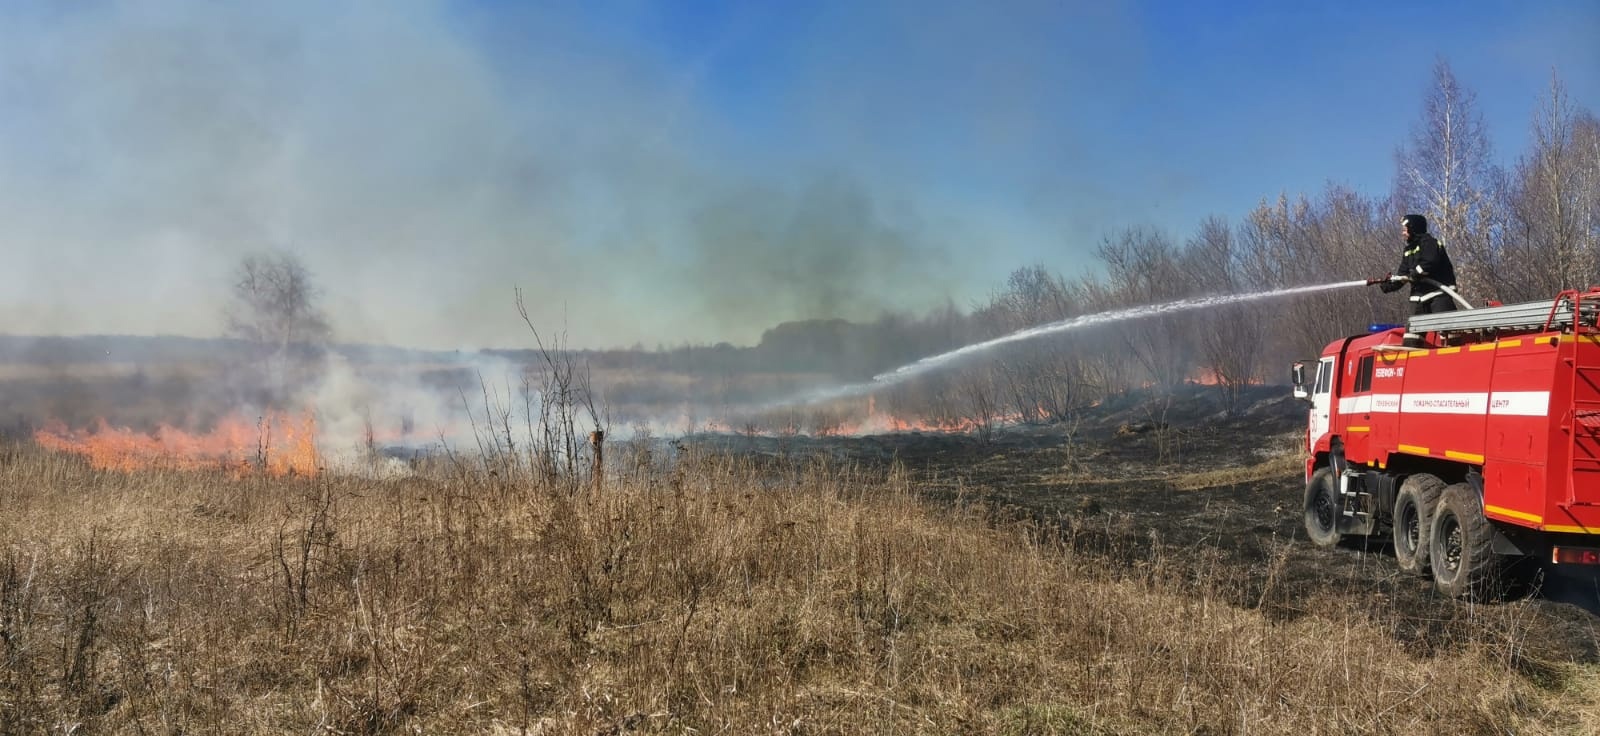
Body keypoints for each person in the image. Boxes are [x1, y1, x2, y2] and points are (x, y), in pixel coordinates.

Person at [1378, 213, 1458, 346]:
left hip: (1438, 293)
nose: (1403, 233)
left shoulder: (1430, 243)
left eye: (1405, 229)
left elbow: (1430, 261)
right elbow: (1402, 275)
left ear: (1413, 228)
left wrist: (1417, 273)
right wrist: (1387, 285)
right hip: (1418, 299)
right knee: (1411, 339)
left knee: (1449, 332)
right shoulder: (1408, 250)